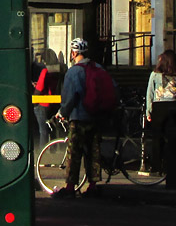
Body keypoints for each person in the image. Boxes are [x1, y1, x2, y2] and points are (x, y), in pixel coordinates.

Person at [51, 38, 116, 199]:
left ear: (74, 53)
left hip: (78, 118)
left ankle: (70, 187)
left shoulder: (73, 72)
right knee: (94, 152)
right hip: (95, 117)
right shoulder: (98, 68)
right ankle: (93, 186)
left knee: (74, 153)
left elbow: (69, 97)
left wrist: (62, 112)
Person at [144, 50, 176, 174]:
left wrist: (148, 110)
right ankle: (168, 164)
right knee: (170, 137)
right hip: (172, 105)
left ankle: (156, 165)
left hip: (158, 106)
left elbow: (150, 92)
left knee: (156, 137)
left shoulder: (154, 74)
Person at [30, 51, 59, 152]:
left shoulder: (45, 71)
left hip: (42, 103)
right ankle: (54, 151)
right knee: (52, 128)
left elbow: (40, 88)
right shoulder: (57, 71)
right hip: (53, 102)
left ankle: (43, 153)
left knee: (43, 130)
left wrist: (33, 99)